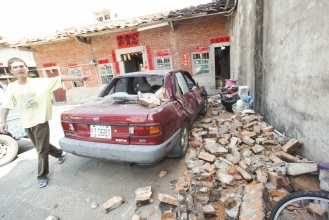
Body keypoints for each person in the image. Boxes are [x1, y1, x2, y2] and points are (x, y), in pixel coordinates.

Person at [0, 57, 91, 188]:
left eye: (21, 66)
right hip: (26, 122)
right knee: (41, 146)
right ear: (11, 71)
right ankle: (60, 154)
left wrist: (79, 78)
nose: (19, 69)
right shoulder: (12, 88)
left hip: (41, 120)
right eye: (15, 67)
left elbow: (59, 78)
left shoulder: (40, 82)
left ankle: (42, 176)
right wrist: (3, 121)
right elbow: (6, 105)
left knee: (41, 150)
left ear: (26, 68)